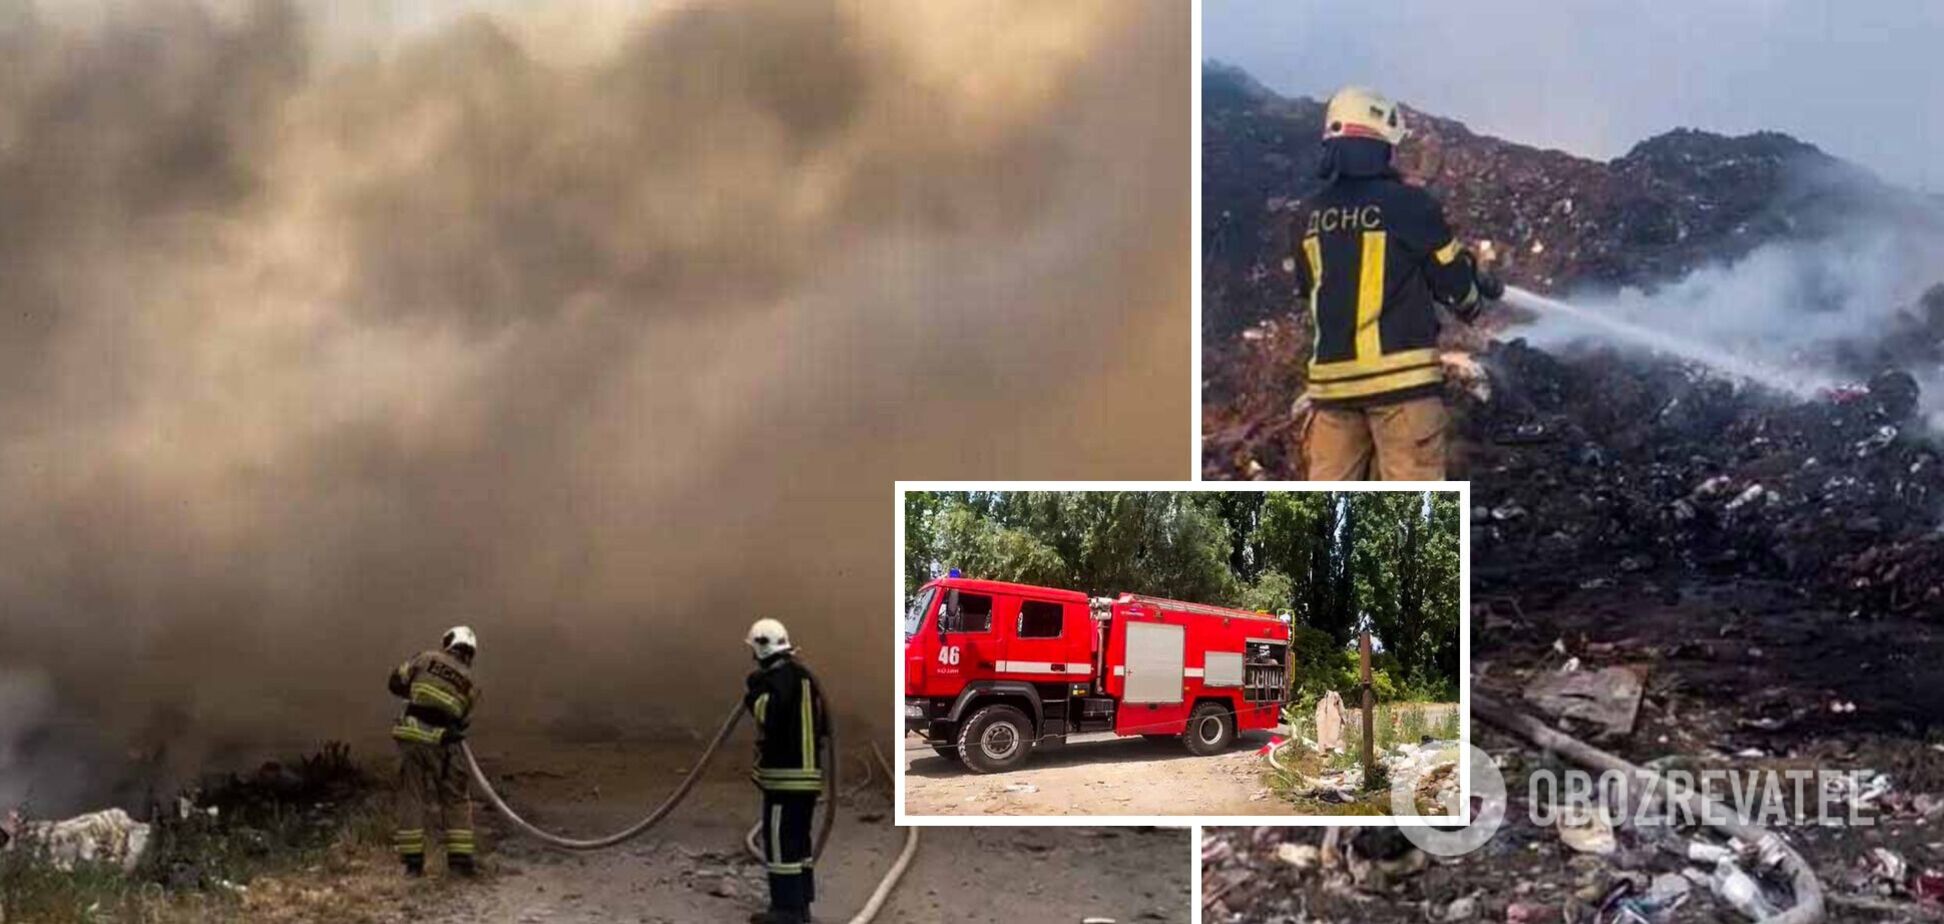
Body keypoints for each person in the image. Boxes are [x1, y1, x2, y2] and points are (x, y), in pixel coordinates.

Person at [1294, 85, 1502, 480]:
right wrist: (1473, 299)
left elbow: (1310, 290)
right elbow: (1454, 282)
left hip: (1332, 393)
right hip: (1402, 392)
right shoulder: (1409, 205)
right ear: (1382, 144)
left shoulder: (1307, 215)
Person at [742, 619, 829, 924]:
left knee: (780, 844)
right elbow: (825, 727)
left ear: (761, 648)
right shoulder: (806, 679)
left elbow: (769, 713)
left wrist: (753, 691)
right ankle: (802, 907)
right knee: (799, 844)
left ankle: (786, 911)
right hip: (807, 779)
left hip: (785, 780)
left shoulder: (778, 679)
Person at [387, 625, 481, 877]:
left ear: (449, 642)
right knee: (456, 799)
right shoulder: (471, 683)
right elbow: (462, 719)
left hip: (413, 739)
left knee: (412, 797)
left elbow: (395, 681)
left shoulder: (426, 658)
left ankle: (413, 864)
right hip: (445, 746)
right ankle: (461, 863)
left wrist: (416, 690)